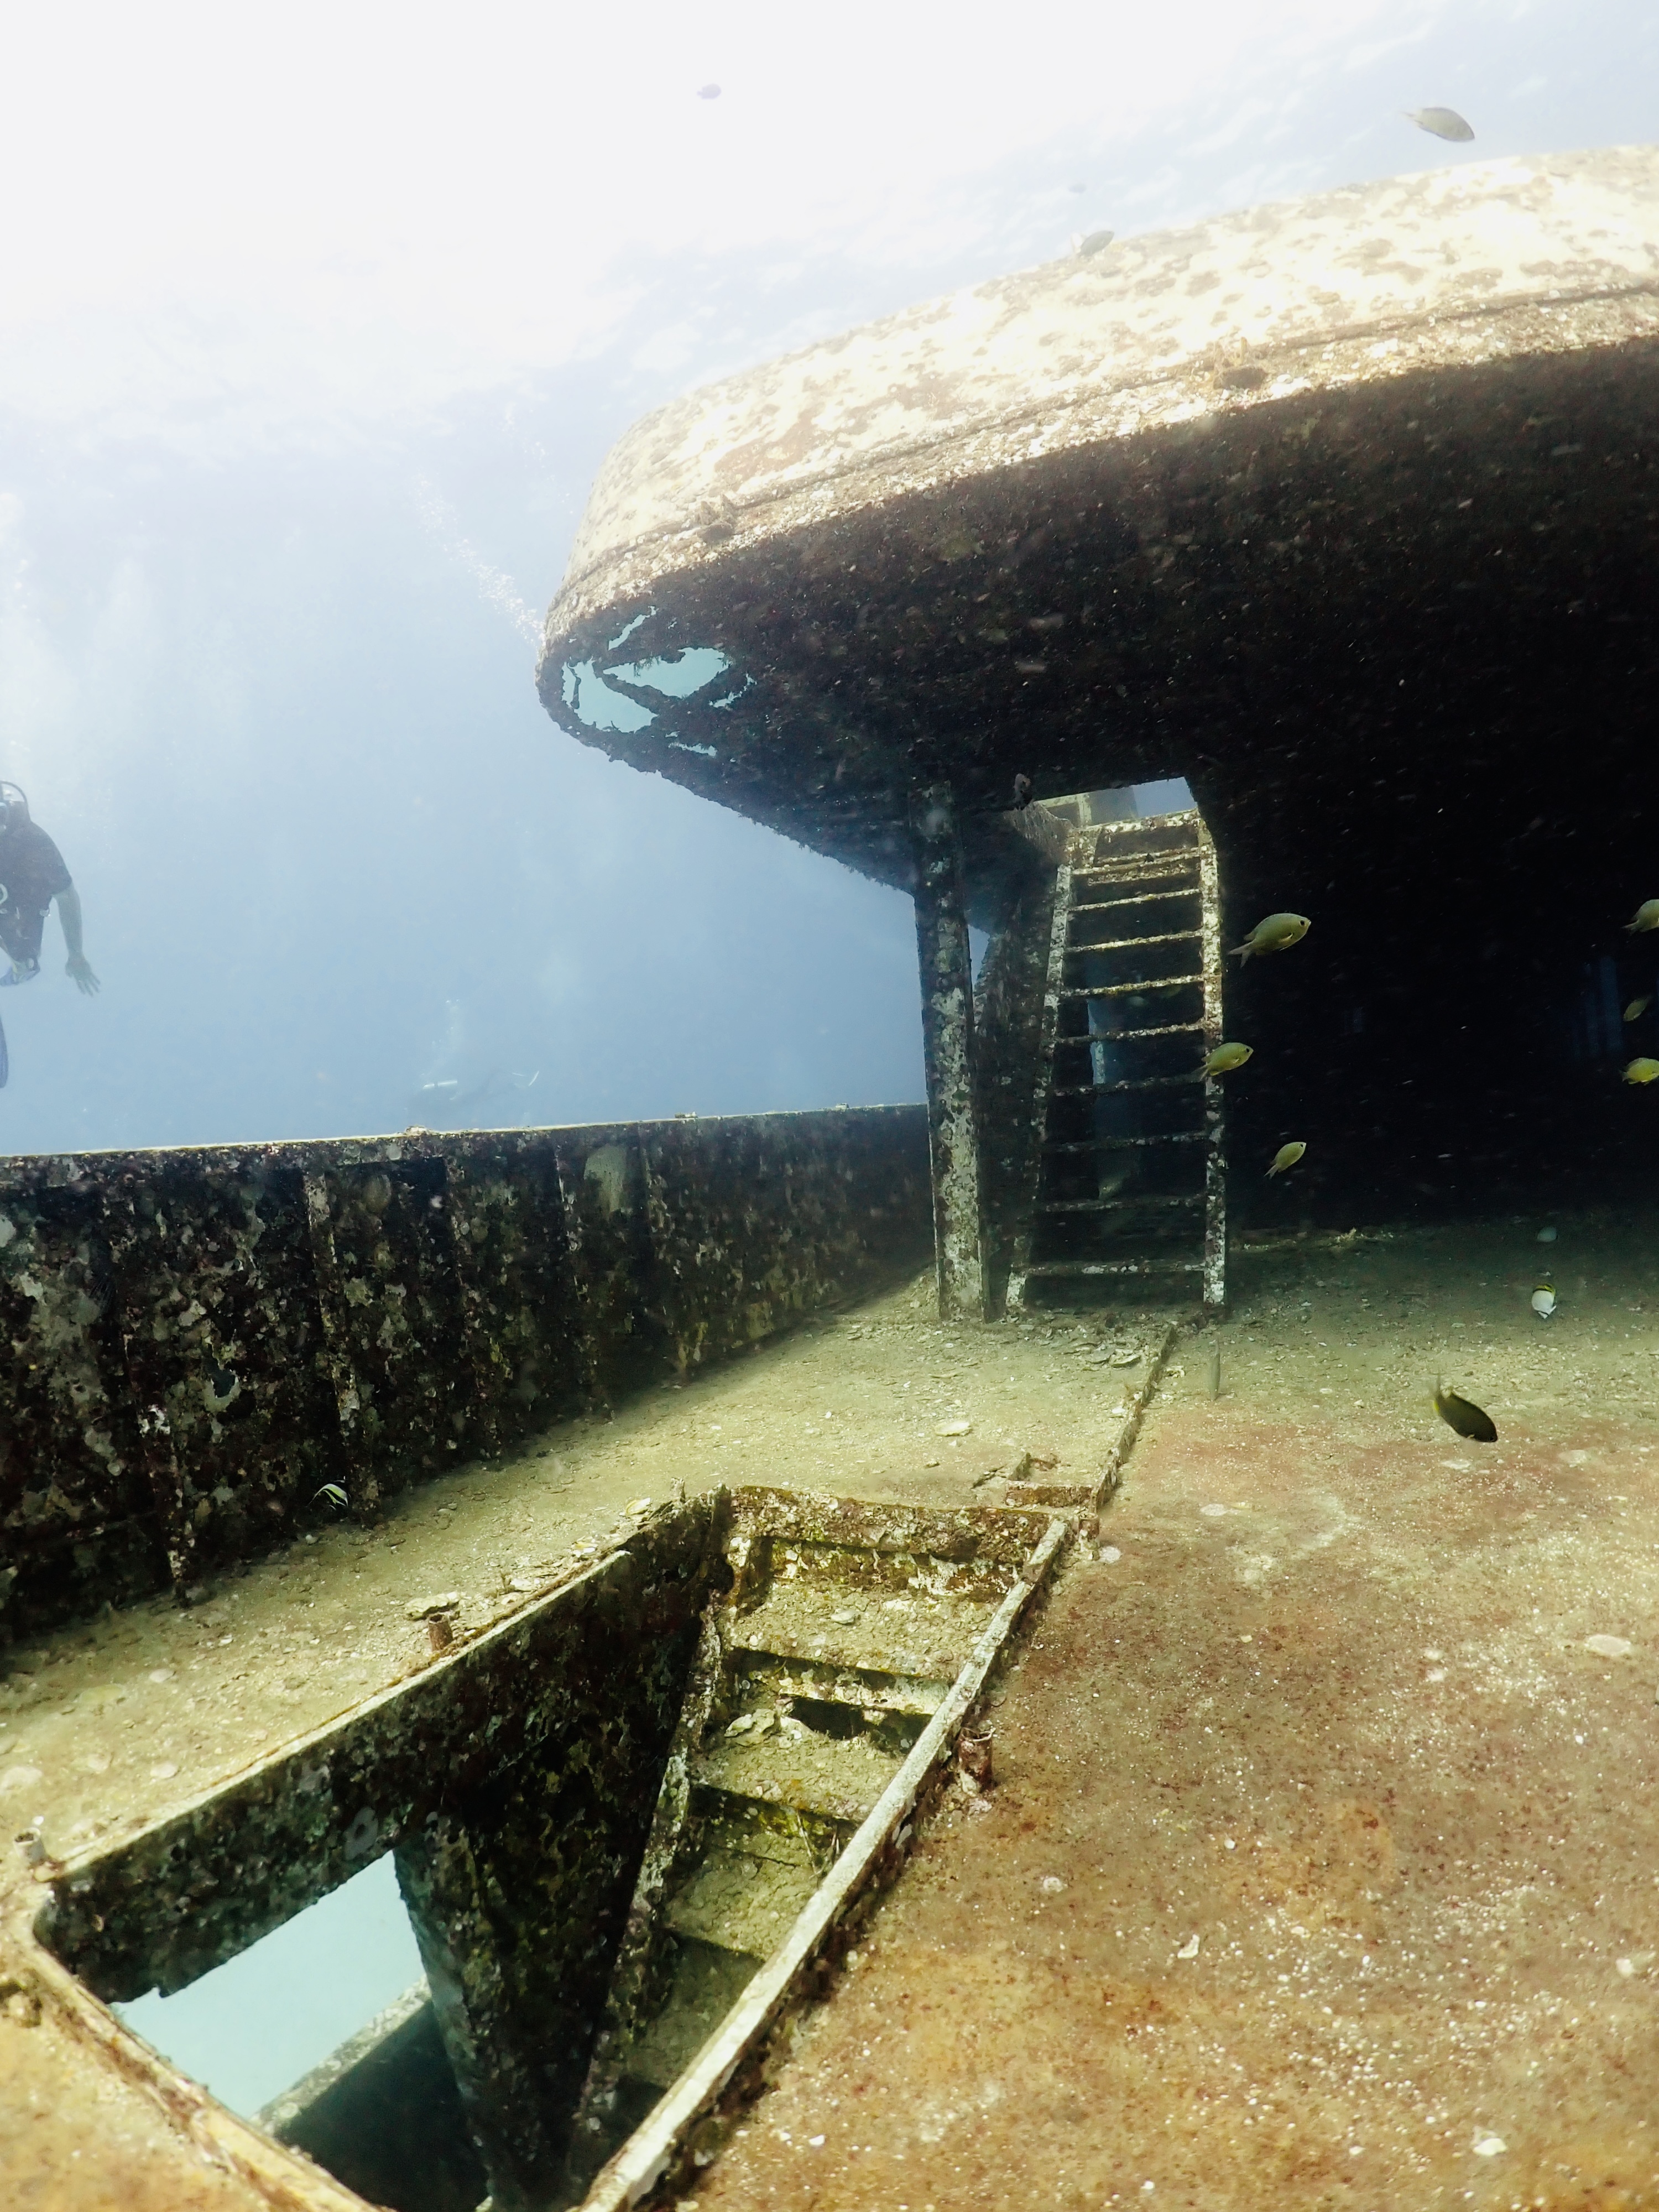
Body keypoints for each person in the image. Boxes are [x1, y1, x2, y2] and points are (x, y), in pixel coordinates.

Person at [0, 784, 98, 1086]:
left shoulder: (33, 842)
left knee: (26, 962)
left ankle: (21, 967)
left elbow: (66, 896)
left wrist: (76, 954)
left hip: (21, 910)